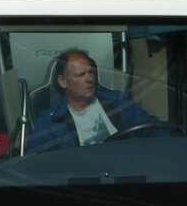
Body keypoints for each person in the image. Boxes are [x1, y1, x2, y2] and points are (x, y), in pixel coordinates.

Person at [27, 49, 158, 152]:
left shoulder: (116, 101)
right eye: (81, 75)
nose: (89, 79)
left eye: (91, 73)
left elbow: (153, 127)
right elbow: (35, 161)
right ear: (63, 81)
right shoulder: (50, 120)